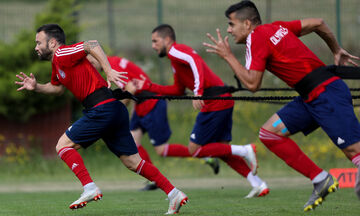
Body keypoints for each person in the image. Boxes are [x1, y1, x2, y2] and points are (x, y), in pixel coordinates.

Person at [203, 0, 360, 211]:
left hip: (325, 95)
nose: (229, 30)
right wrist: (336, 49)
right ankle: (320, 179)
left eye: (231, 24)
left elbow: (252, 84)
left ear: (247, 23)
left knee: (354, 151)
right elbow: (319, 22)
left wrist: (228, 56)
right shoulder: (277, 27)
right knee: (270, 133)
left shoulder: (255, 38)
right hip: (312, 96)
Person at [14, 23, 187, 214]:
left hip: (101, 108)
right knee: (133, 162)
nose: (36, 47)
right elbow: (57, 88)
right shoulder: (58, 63)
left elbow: (91, 44)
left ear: (53, 42)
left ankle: (89, 187)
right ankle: (174, 193)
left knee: (62, 145)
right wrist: (36, 86)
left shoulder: (62, 53)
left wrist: (108, 69)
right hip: (112, 109)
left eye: (39, 43)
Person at [134, 24, 270, 198]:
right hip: (223, 100)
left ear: (167, 39)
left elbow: (195, 61)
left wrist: (198, 92)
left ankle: (245, 150)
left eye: (155, 41)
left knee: (195, 149)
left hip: (215, 102)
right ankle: (258, 184)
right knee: (222, 151)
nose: (153, 45)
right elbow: (178, 90)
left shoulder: (175, 51)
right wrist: (150, 87)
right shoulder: (174, 60)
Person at [89, 55, 221, 191]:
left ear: (97, 58)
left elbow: (130, 88)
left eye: (92, 63)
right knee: (133, 141)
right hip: (140, 105)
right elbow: (133, 86)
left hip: (152, 103)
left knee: (162, 149)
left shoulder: (112, 66)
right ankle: (154, 179)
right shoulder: (113, 60)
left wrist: (113, 111)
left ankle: (204, 155)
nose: (92, 67)